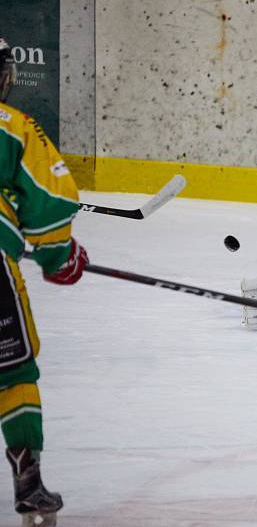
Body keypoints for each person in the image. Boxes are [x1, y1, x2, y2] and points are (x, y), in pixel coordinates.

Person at [0, 38, 88, 527]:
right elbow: (48, 198)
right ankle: (28, 482)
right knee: (12, 373)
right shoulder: (12, 126)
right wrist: (59, 257)